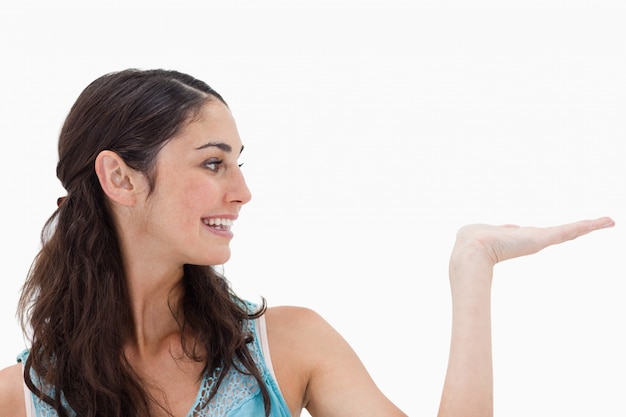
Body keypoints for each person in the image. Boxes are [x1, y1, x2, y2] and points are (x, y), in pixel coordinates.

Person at [0, 68, 614, 417]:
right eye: (213, 164)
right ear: (119, 178)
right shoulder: (22, 399)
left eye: (239, 163)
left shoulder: (283, 347)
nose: (243, 191)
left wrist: (473, 266)